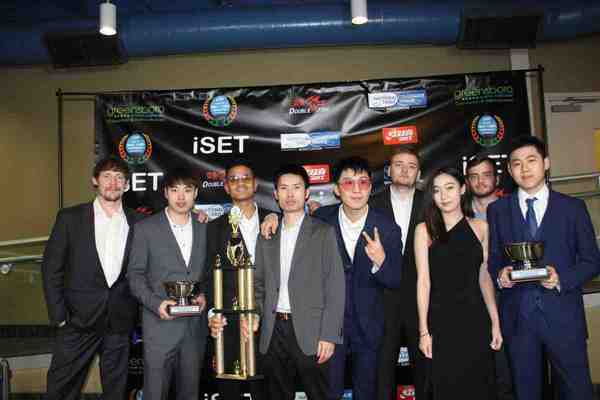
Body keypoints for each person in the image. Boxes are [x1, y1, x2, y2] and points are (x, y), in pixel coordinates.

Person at [487, 136, 600, 400]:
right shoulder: (498, 210)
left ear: (546, 163)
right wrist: (500, 275)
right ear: (510, 170)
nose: (524, 169)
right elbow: (494, 259)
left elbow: (592, 261)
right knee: (525, 393)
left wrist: (561, 279)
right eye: (517, 164)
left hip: (564, 316)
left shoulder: (572, 208)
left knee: (577, 392)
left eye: (531, 161)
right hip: (518, 318)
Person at [241, 164, 345, 400]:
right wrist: (255, 314)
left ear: (306, 193)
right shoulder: (267, 234)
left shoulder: (323, 232)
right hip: (273, 330)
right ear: (275, 194)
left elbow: (335, 287)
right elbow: (258, 285)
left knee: (319, 394)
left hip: (312, 331)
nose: (290, 194)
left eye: (296, 188)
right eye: (284, 188)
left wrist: (329, 335)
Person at [42, 157, 142, 400]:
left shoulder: (139, 222)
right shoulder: (70, 218)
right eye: (107, 176)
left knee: (116, 391)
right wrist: (59, 316)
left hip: (119, 321)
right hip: (76, 321)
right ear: (95, 181)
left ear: (127, 185)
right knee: (60, 388)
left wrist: (197, 215)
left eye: (119, 178)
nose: (113, 183)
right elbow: (51, 268)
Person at [310, 157, 402, 400]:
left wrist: (381, 261)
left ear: (371, 187)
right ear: (337, 189)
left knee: (367, 393)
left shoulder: (388, 227)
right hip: (329, 327)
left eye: (363, 182)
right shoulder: (320, 220)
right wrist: (272, 217)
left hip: (370, 326)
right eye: (348, 183)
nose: (357, 189)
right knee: (328, 392)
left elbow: (396, 280)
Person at [414, 166, 502, 400]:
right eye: (437, 190)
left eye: (450, 188)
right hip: (441, 322)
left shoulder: (481, 228)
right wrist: (424, 331)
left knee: (480, 387)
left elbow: (484, 277)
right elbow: (423, 282)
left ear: (463, 189)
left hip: (475, 319)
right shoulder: (424, 230)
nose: (444, 196)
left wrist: (495, 321)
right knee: (447, 388)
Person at [127, 167, 209, 400]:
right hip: (159, 327)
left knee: (190, 393)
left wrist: (204, 294)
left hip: (194, 328)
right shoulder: (146, 229)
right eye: (174, 190)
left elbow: (209, 272)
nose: (181, 197)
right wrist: (156, 304)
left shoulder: (205, 227)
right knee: (155, 393)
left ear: (195, 193)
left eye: (187, 190)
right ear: (165, 193)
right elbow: (135, 275)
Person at [206, 159, 267, 400]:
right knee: (229, 389)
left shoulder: (275, 220)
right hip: (229, 320)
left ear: (255, 184)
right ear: (226, 187)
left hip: (269, 321)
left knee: (267, 389)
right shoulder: (213, 228)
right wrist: (213, 314)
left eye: (245, 178)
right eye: (233, 179)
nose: (240, 183)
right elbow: (208, 275)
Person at [370, 146, 425, 400]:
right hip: (382, 298)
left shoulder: (432, 202)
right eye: (399, 165)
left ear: (419, 173)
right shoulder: (372, 203)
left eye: (411, 166)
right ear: (388, 170)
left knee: (426, 366)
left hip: (422, 297)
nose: (405, 170)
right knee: (382, 369)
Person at [465, 154, 514, 400]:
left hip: (510, 295)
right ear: (467, 182)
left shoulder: (511, 209)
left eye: (486, 175)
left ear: (496, 178)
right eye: (474, 176)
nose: (480, 181)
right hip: (471, 299)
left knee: (509, 365)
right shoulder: (458, 212)